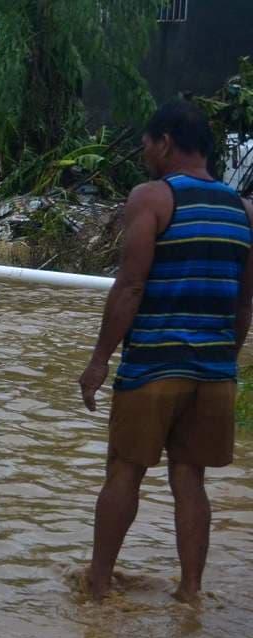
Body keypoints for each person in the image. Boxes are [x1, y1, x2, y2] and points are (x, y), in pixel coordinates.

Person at [80, 101, 253, 603]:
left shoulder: (152, 198)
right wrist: (226, 360)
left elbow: (130, 286)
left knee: (124, 471)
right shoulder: (243, 210)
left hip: (155, 363)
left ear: (166, 143)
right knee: (190, 479)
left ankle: (98, 585)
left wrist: (97, 362)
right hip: (214, 371)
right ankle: (191, 591)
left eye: (147, 145)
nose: (144, 154)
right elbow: (244, 302)